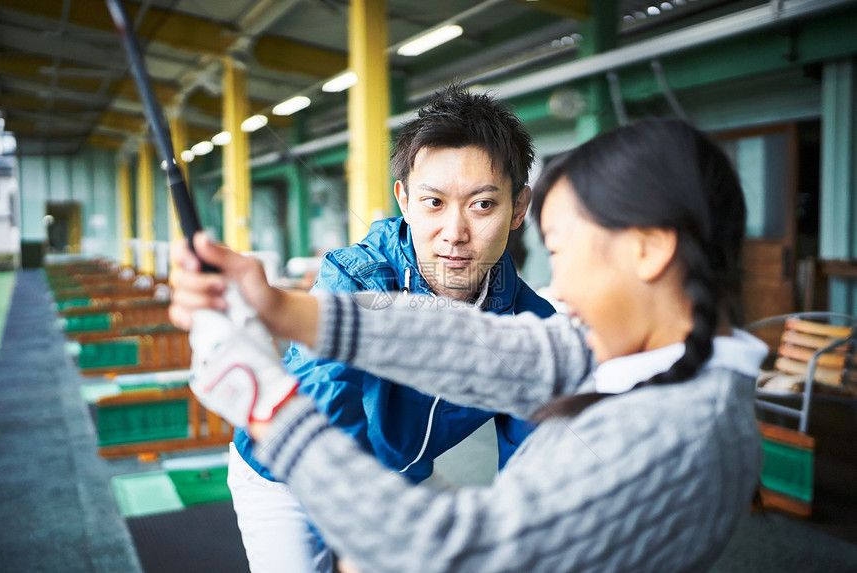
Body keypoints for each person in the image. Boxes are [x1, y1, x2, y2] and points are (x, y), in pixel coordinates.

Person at [172, 118, 769, 573]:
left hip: (385, 490)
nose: (558, 286)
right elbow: (487, 348)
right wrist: (280, 308)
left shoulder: (665, 438)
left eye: (561, 250)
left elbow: (442, 549)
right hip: (296, 478)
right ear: (405, 200)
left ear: (648, 249)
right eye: (434, 203)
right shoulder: (651, 357)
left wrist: (262, 402)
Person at [222, 84, 555, 572]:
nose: (455, 233)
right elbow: (326, 399)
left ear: (519, 207)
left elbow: (531, 466)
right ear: (404, 200)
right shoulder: (357, 275)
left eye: (482, 205)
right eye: (434, 203)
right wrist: (358, 545)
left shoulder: (530, 326)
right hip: (284, 472)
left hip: (401, 477)